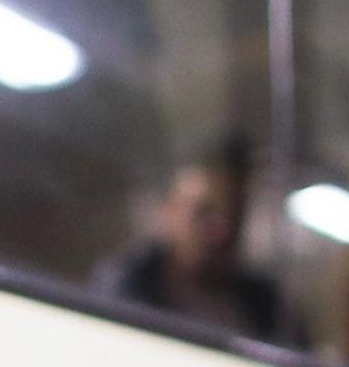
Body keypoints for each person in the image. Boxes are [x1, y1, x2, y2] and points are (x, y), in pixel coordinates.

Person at [96, 136, 288, 342]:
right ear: (169, 210)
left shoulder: (270, 310)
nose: (221, 231)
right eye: (204, 212)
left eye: (234, 216)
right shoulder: (123, 292)